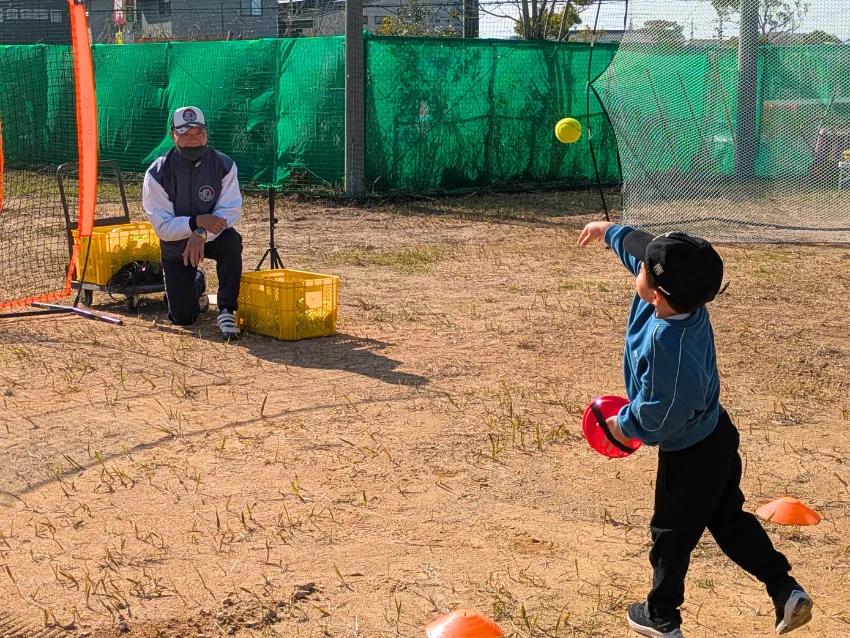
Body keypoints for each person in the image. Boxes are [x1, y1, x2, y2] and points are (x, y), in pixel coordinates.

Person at [578, 221, 812, 638]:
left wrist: (625, 424)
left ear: (655, 290)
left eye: (643, 270)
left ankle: (661, 616)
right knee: (726, 519)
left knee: (671, 533)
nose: (638, 268)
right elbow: (642, 249)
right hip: (715, 434)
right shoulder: (682, 297)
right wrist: (609, 230)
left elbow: (666, 409)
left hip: (690, 453)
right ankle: (784, 588)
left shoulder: (671, 342)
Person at [143, 106, 243, 340]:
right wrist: (196, 222)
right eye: (185, 134)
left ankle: (227, 309)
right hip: (176, 245)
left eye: (198, 132)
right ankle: (197, 281)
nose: (193, 139)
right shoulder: (157, 173)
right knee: (183, 318)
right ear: (173, 135)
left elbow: (230, 211)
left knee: (230, 240)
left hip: (210, 237)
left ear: (207, 133)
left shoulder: (224, 165)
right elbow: (163, 227)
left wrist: (201, 233)